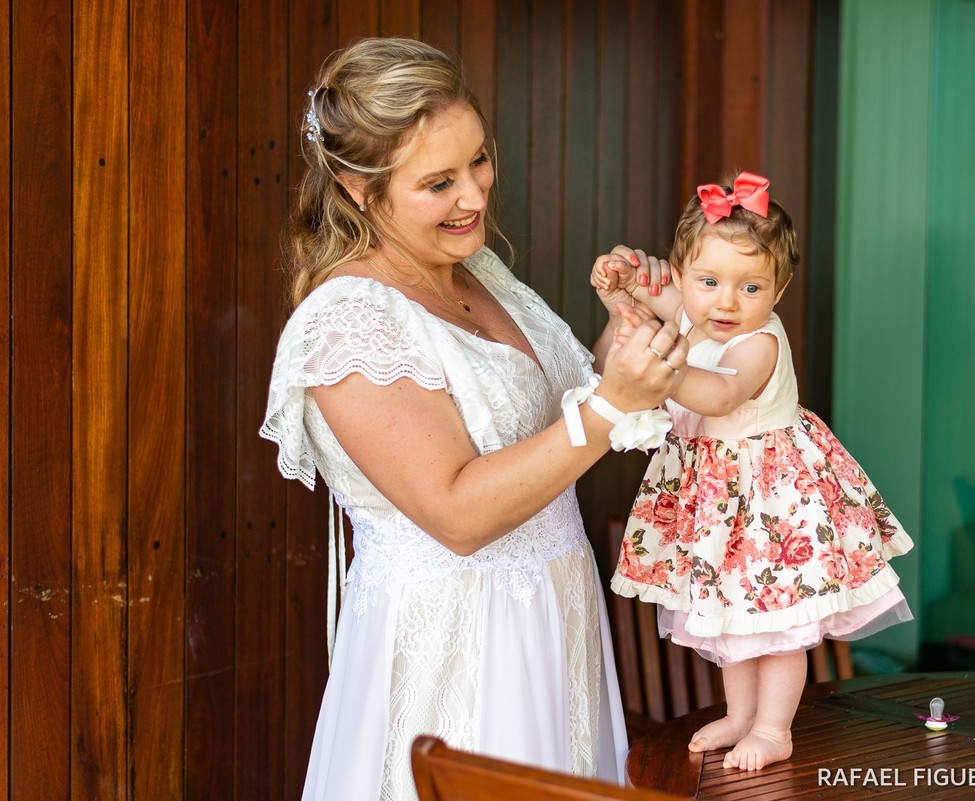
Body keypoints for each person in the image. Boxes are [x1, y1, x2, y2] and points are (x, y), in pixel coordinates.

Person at [260, 37, 688, 801]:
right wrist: (613, 402)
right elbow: (457, 511)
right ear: (358, 187)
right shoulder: (346, 323)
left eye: (480, 161)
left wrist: (631, 330)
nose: (474, 197)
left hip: (555, 622)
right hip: (457, 647)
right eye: (438, 182)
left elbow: (557, 420)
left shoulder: (478, 271)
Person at [591, 172, 914, 771]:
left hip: (771, 501)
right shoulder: (696, 313)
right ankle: (739, 715)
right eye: (708, 282)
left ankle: (772, 727)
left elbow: (718, 395)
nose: (726, 302)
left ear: (779, 290)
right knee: (730, 614)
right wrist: (625, 278)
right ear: (684, 277)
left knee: (779, 616)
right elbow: (644, 293)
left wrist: (660, 366)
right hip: (717, 500)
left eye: (751, 287)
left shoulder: (759, 342)